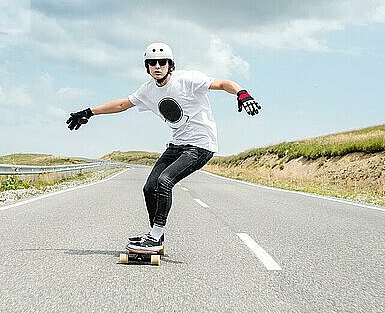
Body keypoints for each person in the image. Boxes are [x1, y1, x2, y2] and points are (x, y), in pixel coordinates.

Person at [66, 42, 261, 251]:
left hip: (201, 145)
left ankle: (156, 234)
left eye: (162, 62)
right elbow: (123, 104)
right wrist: (88, 112)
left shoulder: (187, 79)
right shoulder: (148, 90)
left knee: (164, 181)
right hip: (177, 144)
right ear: (147, 67)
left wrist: (242, 93)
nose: (157, 66)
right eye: (152, 63)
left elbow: (223, 83)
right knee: (149, 187)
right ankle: (155, 236)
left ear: (170, 64)